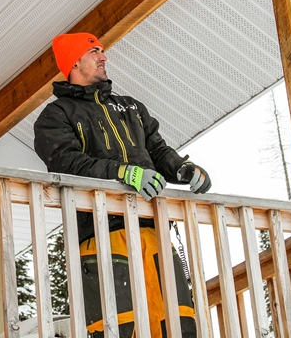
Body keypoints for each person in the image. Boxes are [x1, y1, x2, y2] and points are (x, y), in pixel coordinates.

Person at [33, 32, 211, 338]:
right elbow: (66, 162)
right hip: (101, 233)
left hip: (153, 228)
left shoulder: (131, 107)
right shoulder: (56, 115)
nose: (103, 57)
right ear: (74, 62)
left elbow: (158, 151)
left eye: (102, 51)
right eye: (94, 52)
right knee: (121, 326)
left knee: (177, 322)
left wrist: (183, 168)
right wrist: (123, 173)